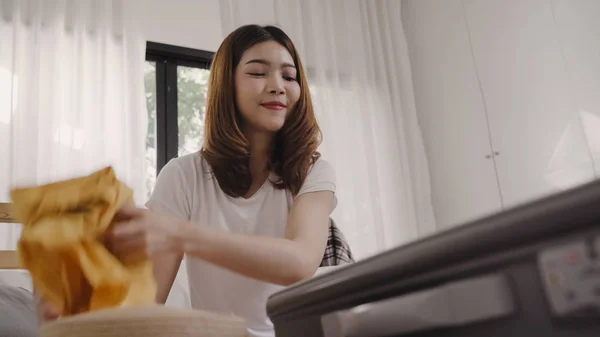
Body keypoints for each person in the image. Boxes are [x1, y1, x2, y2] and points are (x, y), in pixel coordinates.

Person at [37, 24, 337, 337]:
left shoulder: (313, 172)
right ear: (227, 84)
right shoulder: (184, 175)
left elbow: (299, 262)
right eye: (258, 73)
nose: (278, 86)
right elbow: (145, 302)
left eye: (289, 77)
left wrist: (181, 234)